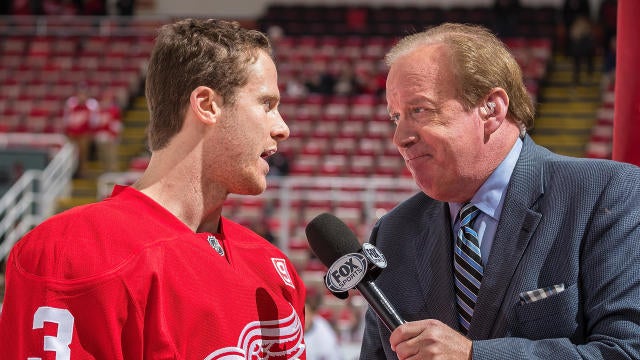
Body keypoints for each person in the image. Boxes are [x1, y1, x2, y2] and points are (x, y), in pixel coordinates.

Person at [0, 18, 307, 359]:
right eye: (267, 104)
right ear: (206, 105)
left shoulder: (274, 267)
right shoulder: (75, 251)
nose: (282, 128)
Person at [359, 23, 640, 359]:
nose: (400, 136)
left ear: (491, 109)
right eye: (396, 117)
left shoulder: (605, 194)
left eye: (420, 110)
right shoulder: (392, 233)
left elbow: (626, 351)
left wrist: (474, 355)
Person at [63, 84, 99, 177]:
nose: (81, 96)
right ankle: (71, 172)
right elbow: (67, 120)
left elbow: (94, 121)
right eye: (80, 94)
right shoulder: (71, 104)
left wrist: (92, 134)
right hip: (72, 134)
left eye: (83, 94)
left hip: (84, 134)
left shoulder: (91, 105)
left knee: (83, 153)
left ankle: (82, 171)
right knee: (71, 154)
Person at [304, 287, 342, 360]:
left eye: (305, 314)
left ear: (312, 314)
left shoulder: (322, 329)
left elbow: (333, 355)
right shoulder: (289, 328)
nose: (301, 317)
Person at [94, 91, 123, 172]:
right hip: (101, 136)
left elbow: (117, 124)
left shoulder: (114, 110)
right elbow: (96, 124)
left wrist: (115, 135)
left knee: (112, 155)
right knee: (103, 155)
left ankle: (113, 171)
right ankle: (105, 171)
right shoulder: (99, 110)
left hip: (110, 136)